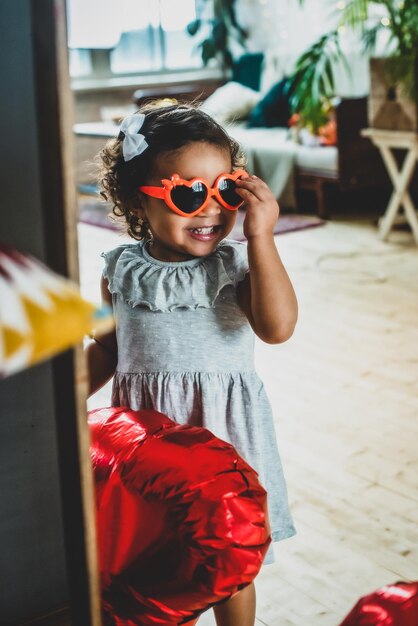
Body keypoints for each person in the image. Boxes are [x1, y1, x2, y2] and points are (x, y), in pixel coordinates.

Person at [87, 103, 298, 626]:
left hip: (225, 441)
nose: (210, 211)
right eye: (187, 194)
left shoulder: (239, 265)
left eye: (226, 191)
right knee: (154, 561)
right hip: (151, 452)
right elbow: (107, 351)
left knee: (230, 567)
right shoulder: (118, 271)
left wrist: (262, 236)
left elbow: (278, 327)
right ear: (141, 198)